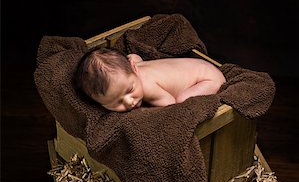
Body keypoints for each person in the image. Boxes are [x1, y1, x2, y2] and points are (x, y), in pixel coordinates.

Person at [75, 47, 226, 112]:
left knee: (181, 101)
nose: (129, 102)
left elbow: (170, 105)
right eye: (116, 103)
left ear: (133, 68)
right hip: (202, 66)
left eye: (130, 90)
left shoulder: (148, 87)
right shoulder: (133, 63)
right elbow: (134, 56)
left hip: (209, 79)